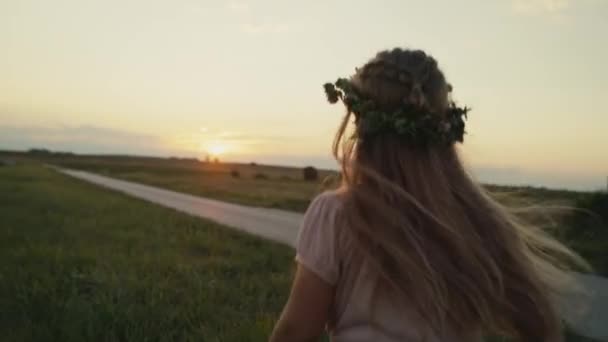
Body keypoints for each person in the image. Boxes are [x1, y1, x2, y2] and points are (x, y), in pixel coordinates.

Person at [269, 48, 587, 342]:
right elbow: (538, 324)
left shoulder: (337, 213)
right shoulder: (473, 218)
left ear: (360, 124)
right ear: (444, 129)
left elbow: (297, 330)